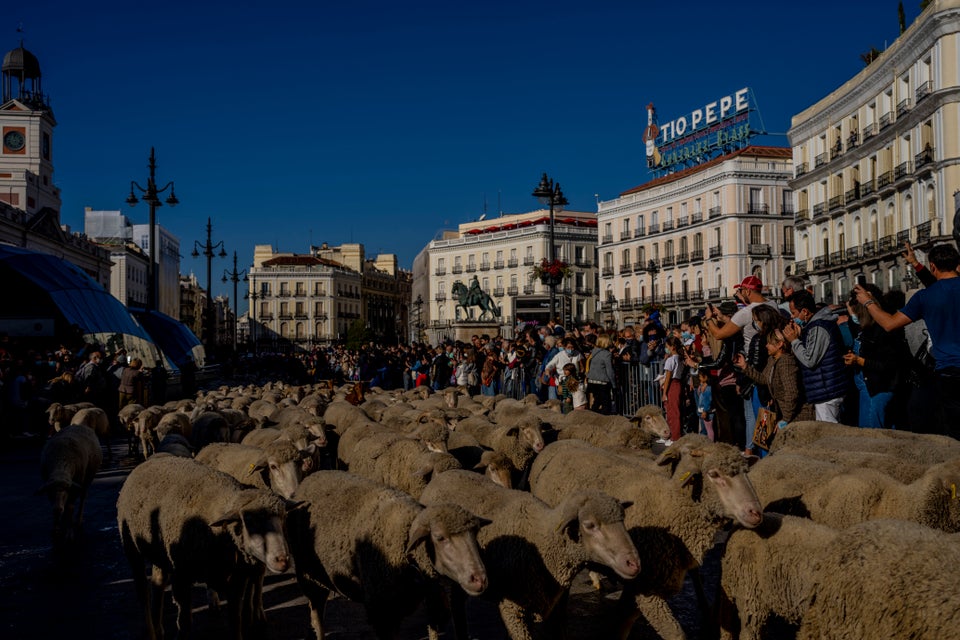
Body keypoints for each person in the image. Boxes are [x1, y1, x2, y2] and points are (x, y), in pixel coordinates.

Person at [854, 243, 960, 438]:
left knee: (951, 433)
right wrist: (916, 265)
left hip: (949, 375)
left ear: (933, 266)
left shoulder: (925, 297)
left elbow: (889, 324)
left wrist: (867, 302)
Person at [843, 286, 907, 429]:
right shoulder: (864, 328)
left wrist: (859, 360)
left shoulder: (883, 330)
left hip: (877, 389)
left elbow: (888, 365)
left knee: (872, 436)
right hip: (867, 389)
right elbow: (855, 326)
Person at [783, 291, 848, 422]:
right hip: (825, 388)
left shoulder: (818, 327)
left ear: (805, 311)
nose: (792, 316)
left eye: (794, 313)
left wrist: (794, 341)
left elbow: (810, 360)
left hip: (827, 390)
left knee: (828, 436)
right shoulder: (814, 325)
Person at [735, 329, 814, 436]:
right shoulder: (772, 360)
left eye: (770, 343)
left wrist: (785, 419)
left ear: (780, 344)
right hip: (786, 414)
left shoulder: (786, 362)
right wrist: (745, 367)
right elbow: (764, 379)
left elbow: (791, 392)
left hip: (797, 416)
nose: (766, 345)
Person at [661, 335, 687, 442]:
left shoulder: (671, 360)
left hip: (672, 384)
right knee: (673, 411)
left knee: (673, 412)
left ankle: (675, 437)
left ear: (672, 347)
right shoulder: (680, 359)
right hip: (678, 383)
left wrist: (664, 393)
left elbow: (668, 377)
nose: (666, 348)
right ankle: (671, 434)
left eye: (667, 346)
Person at [584, 333, 616, 414]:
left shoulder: (593, 352)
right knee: (606, 404)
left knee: (596, 402)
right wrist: (614, 384)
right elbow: (610, 371)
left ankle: (592, 419)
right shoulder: (607, 354)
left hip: (592, 381)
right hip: (602, 382)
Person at [694, 369, 715, 441]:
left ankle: (710, 443)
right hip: (703, 411)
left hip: (706, 412)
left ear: (705, 377)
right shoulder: (703, 386)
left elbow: (707, 400)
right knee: (706, 428)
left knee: (708, 429)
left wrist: (705, 411)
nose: (699, 378)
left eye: (700, 377)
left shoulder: (708, 388)